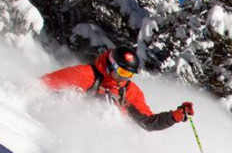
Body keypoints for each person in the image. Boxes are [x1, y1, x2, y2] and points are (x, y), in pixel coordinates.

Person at [41, 46, 194, 131]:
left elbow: (147, 122)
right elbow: (44, 84)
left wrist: (175, 116)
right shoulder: (85, 75)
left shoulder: (130, 91)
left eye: (129, 74)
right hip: (75, 129)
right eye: (122, 72)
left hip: (108, 137)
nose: (124, 78)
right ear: (110, 65)